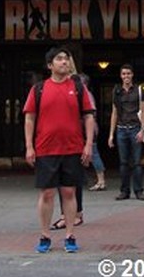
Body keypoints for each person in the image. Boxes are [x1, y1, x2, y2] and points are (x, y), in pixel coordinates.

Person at [23, 45, 95, 254]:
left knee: (69, 191)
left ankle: (69, 234)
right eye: (59, 59)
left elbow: (89, 116)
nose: (64, 62)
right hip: (45, 149)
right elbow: (29, 118)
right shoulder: (39, 89)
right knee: (47, 193)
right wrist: (29, 146)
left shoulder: (78, 87)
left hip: (73, 148)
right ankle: (45, 235)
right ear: (50, 65)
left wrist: (88, 144)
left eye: (66, 58)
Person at [49, 73, 106, 230]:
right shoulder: (58, 91)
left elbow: (89, 116)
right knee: (65, 181)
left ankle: (75, 214)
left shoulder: (82, 93)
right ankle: (66, 215)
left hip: (77, 139)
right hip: (63, 140)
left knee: (73, 180)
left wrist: (88, 142)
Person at [108, 64, 144, 200]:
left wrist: (143, 129)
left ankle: (138, 190)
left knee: (137, 162)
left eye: (128, 74)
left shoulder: (139, 90)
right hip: (121, 129)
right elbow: (114, 113)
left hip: (135, 128)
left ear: (132, 75)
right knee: (124, 162)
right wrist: (111, 134)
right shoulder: (116, 91)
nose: (126, 76)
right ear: (120, 75)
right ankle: (124, 191)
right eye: (124, 74)